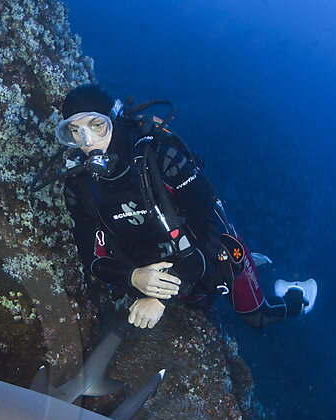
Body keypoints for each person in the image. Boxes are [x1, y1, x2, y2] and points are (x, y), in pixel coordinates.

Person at [54, 84, 317, 329]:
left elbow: (209, 233)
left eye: (96, 125)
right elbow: (92, 258)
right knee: (197, 303)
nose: (87, 142)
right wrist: (133, 277)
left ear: (114, 120)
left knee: (256, 317)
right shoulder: (79, 185)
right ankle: (245, 269)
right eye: (75, 131)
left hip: (206, 252)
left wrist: (160, 299)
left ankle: (297, 296)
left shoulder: (161, 159)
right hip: (159, 263)